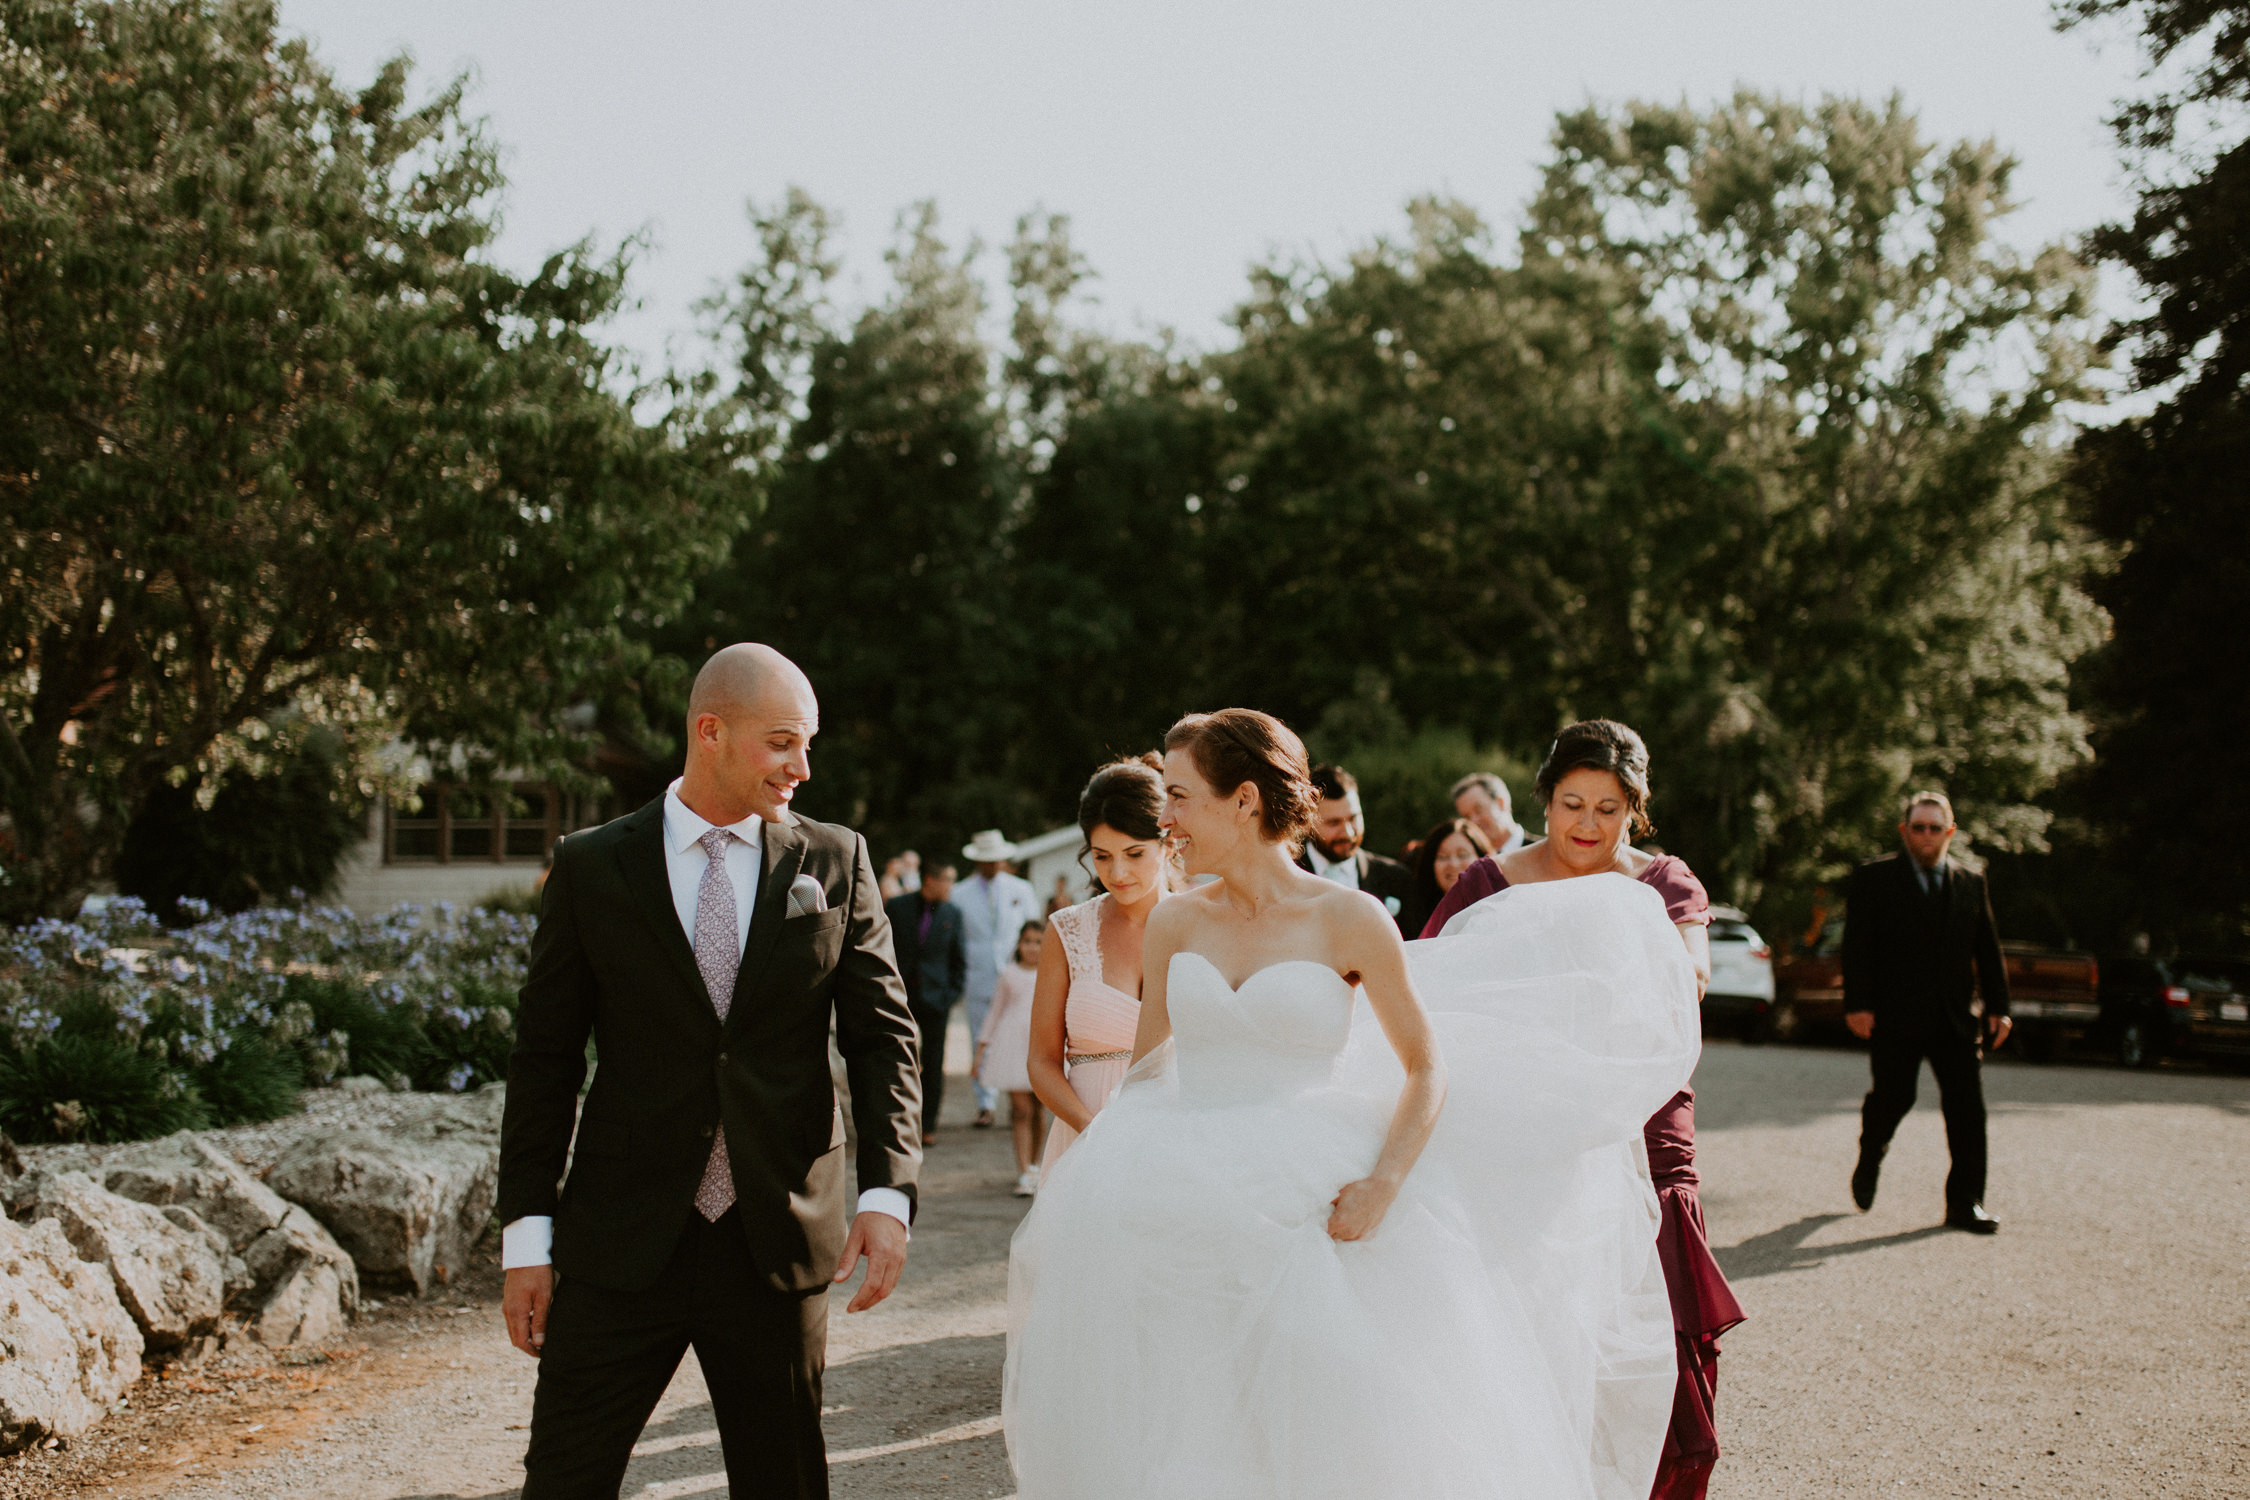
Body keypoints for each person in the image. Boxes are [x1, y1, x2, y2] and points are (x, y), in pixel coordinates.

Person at [1005, 709, 1701, 1498]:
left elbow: (1427, 1068)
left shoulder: (1347, 919)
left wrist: (1384, 1183)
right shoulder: (1174, 922)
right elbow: (1149, 1071)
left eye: (1179, 796)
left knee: (1324, 1432)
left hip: (1312, 1193)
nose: (1166, 818)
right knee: (1185, 1414)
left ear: (1243, 801)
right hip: (1182, 1187)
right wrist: (1116, 1180)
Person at [497, 643, 921, 1500]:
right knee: (563, 1481)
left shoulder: (835, 860)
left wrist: (886, 1194)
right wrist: (526, 1238)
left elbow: (884, 1040)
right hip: (620, 1238)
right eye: (782, 743)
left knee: (783, 1484)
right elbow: (543, 1061)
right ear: (711, 731)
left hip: (775, 1238)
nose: (802, 767)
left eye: (807, 745)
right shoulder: (590, 866)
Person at [1422, 720, 1746, 1500]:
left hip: (1638, 1122)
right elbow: (1429, 990)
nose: (1588, 826)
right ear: (1544, 799)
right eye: (1573, 803)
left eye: (1610, 809)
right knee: (1525, 1335)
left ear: (1636, 811)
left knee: (1653, 1338)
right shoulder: (1489, 882)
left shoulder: (1664, 884)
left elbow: (1691, 980)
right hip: (1519, 1133)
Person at [1842, 791, 2011, 1234]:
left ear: (1950, 832)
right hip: (1895, 1016)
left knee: (1967, 1111)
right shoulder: (1874, 879)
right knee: (1894, 1098)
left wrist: (1999, 1007)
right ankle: (1870, 1153)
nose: (1926, 836)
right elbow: (1856, 947)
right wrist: (1857, 1004)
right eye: (1918, 827)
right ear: (1905, 831)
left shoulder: (1971, 882)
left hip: (1955, 1018)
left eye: (1935, 828)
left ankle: (1965, 1202)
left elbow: (1987, 950)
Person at [1028, 756, 1170, 1167]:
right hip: (1086, 1139)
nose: (1118, 871)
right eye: (1102, 856)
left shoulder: (1204, 926)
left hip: (1179, 1137)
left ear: (1169, 842)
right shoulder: (1068, 930)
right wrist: (1092, 1130)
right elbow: (1041, 1060)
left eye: (1134, 853)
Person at [958, 831, 1045, 1128]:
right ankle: (985, 1103)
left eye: (996, 860)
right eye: (986, 861)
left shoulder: (1021, 888)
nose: (992, 865)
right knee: (981, 1034)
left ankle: (1018, 1097)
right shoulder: (961, 893)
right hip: (978, 975)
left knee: (1020, 1037)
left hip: (1018, 974)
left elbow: (1035, 929)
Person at [886, 863, 968, 1147]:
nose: (951, 887)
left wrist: (950, 996)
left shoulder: (952, 913)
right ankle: (896, 1122)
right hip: (900, 997)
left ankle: (927, 1125)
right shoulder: (897, 907)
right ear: (930, 880)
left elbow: (959, 961)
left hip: (936, 1001)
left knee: (933, 1064)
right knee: (897, 1061)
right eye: (948, 879)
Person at [977, 920, 1050, 1196]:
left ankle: (1035, 1165)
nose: (1033, 947)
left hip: (1041, 1043)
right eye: (1028, 941)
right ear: (1019, 944)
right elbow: (995, 1012)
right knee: (1021, 1110)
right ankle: (1022, 1170)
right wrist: (981, 1049)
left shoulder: (1050, 972)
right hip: (1011, 1045)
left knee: (1038, 1108)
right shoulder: (1008, 974)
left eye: (1039, 942)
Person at [1296, 763, 1413, 925]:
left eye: (1353, 818)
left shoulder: (1396, 878)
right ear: (1308, 822)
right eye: (1333, 823)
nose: (1348, 833)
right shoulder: (1283, 877)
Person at [1398, 815, 1493, 940]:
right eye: (1443, 857)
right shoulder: (1413, 918)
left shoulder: (1498, 910)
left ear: (1482, 858)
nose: (1453, 864)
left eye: (1462, 855)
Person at [1452, 770, 1528, 855]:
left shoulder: (1542, 851)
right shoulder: (1472, 861)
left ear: (1501, 803)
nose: (1474, 821)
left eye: (1479, 810)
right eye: (1466, 817)